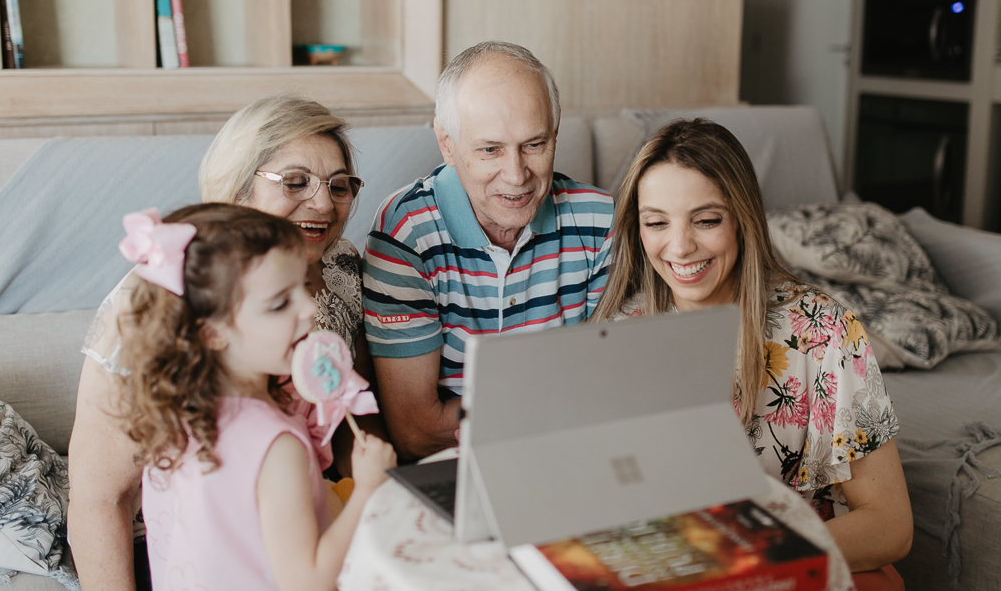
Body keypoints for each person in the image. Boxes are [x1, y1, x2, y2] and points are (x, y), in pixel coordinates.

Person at [68, 94, 382, 591]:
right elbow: (99, 499)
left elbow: (348, 416)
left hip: (293, 518)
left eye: (339, 186)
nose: (324, 203)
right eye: (296, 182)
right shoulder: (165, 301)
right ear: (237, 191)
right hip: (200, 546)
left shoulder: (340, 267)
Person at [592, 118, 912, 579]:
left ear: (742, 218)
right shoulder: (620, 333)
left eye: (706, 220)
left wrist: (743, 563)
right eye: (657, 222)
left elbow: (891, 527)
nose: (680, 247)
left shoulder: (824, 332)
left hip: (780, 566)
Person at [116, 203, 396, 591]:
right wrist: (366, 489)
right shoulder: (276, 445)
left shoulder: (177, 416)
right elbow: (308, 581)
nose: (309, 306)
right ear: (211, 332)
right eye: (280, 303)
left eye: (303, 286)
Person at [362, 41, 614, 461]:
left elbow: (612, 388)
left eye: (534, 144)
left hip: (578, 455)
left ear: (555, 134)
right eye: (490, 149)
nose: (516, 176)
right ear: (447, 145)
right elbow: (415, 432)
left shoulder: (602, 222)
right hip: (457, 466)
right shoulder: (406, 233)